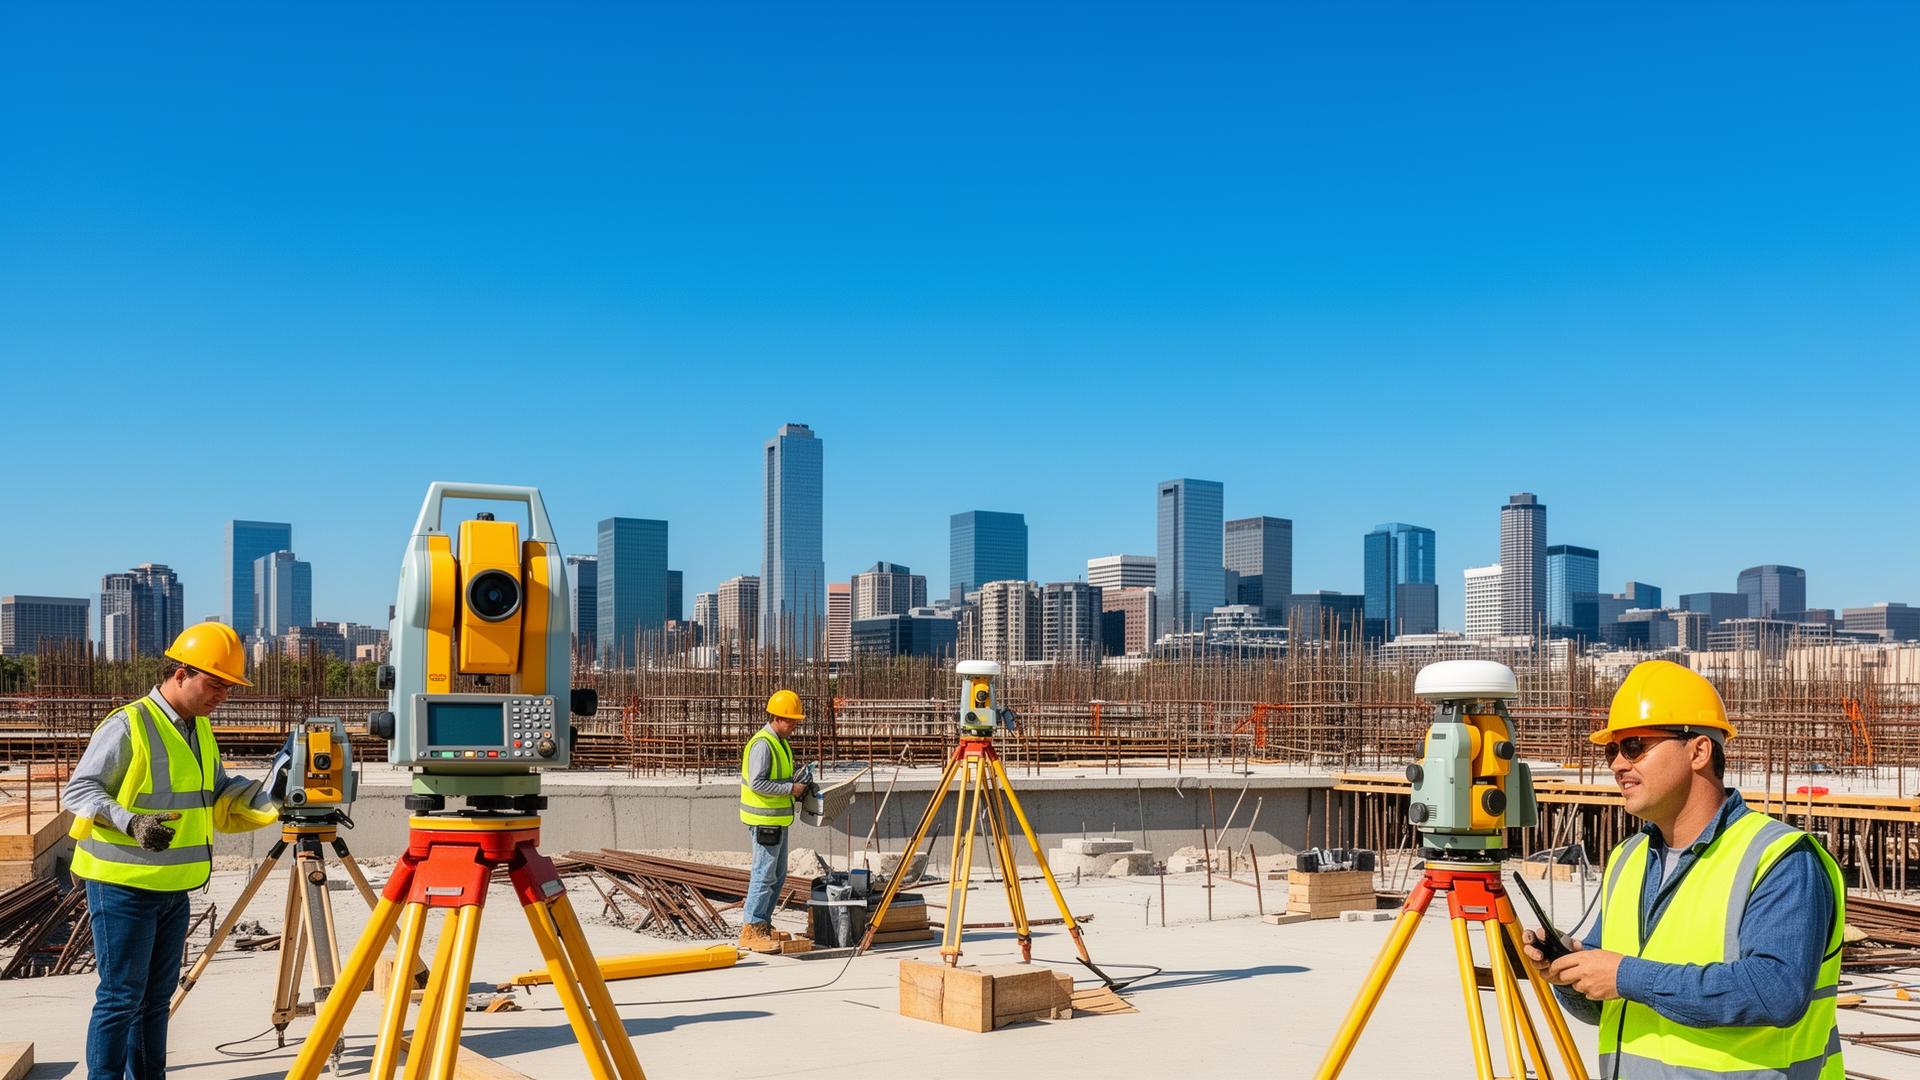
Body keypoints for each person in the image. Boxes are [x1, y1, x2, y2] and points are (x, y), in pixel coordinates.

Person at [1524, 659, 1844, 1080]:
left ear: (1698, 750)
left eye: (1635, 746)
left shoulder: (1778, 858)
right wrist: (1569, 972)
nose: (1618, 764)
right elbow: (1609, 1003)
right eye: (1611, 750)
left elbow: (1776, 992)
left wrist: (1626, 975)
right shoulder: (1628, 858)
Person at [64, 621, 280, 1080]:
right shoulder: (130, 723)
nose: (222, 696)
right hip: (122, 884)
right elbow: (80, 790)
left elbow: (215, 790)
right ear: (181, 673)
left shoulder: (199, 730)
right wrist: (131, 821)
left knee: (156, 998)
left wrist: (274, 795)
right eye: (214, 683)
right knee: (121, 995)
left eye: (228, 688)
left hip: (175, 887)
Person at [737, 688, 809, 954]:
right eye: (791, 721)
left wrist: (798, 780)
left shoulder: (780, 742)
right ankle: (751, 928)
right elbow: (757, 783)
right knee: (763, 874)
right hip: (764, 820)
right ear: (777, 717)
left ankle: (763, 924)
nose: (794, 726)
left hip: (778, 819)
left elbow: (777, 777)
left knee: (777, 875)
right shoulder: (763, 744)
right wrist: (790, 789)